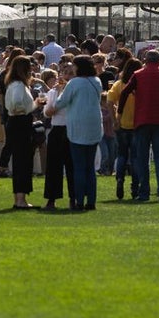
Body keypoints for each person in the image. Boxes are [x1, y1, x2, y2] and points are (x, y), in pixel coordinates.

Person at [117, 50, 159, 202]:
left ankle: (144, 191)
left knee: (142, 157)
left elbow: (125, 93)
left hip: (143, 120)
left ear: (145, 61)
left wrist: (120, 113)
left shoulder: (138, 74)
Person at [47, 55, 103, 211]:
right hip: (94, 126)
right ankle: (91, 201)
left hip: (78, 126)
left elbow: (60, 102)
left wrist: (57, 94)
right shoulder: (96, 81)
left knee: (78, 166)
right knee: (89, 167)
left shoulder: (74, 83)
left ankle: (79, 200)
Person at [4, 55, 41, 209]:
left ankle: (19, 198)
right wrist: (34, 105)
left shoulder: (12, 84)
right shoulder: (19, 85)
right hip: (21, 123)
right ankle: (21, 199)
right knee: (23, 161)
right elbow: (17, 104)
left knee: (19, 160)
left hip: (14, 123)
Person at [41, 66, 75, 210]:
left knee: (72, 167)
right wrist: (59, 95)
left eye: (70, 73)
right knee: (53, 167)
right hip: (57, 128)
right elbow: (47, 113)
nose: (67, 76)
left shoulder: (75, 91)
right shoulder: (52, 92)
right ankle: (51, 199)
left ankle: (74, 198)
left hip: (72, 129)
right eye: (65, 72)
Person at [109, 58, 141, 200]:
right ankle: (135, 185)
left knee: (121, 154)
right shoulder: (140, 84)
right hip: (137, 124)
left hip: (121, 123)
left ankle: (120, 178)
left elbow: (109, 101)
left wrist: (114, 118)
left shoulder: (119, 84)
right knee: (135, 157)